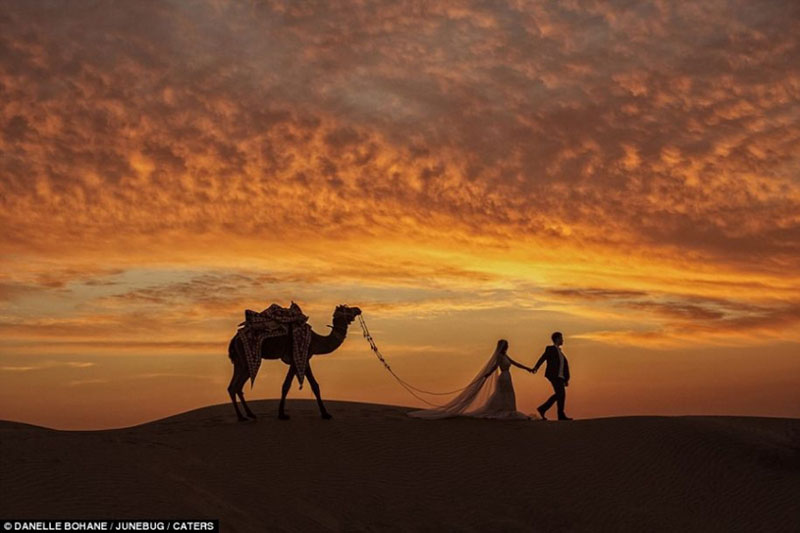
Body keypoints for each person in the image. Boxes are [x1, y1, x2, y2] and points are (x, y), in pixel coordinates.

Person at [408, 339, 532, 420]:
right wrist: (487, 375)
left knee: (507, 395)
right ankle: (504, 411)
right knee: (503, 394)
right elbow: (495, 367)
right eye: (507, 345)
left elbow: (515, 363)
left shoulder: (505, 356)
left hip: (507, 376)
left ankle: (508, 410)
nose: (508, 347)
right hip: (504, 377)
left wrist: (527, 368)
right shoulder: (499, 356)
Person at [531, 331, 572, 420]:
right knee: (560, 394)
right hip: (554, 375)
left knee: (561, 395)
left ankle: (560, 415)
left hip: (560, 377)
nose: (563, 340)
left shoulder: (561, 353)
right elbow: (543, 358)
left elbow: (564, 366)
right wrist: (536, 367)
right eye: (561, 338)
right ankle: (543, 409)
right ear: (557, 339)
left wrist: (566, 379)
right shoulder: (550, 349)